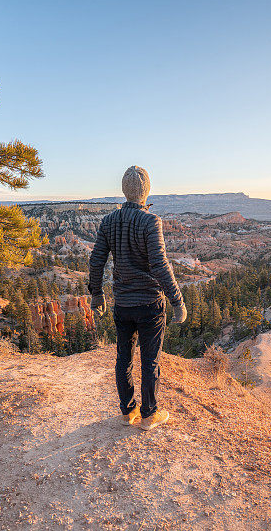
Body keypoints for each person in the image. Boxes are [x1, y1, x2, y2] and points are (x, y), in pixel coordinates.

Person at [88, 165, 187, 431]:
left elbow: (97, 259)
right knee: (150, 360)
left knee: (123, 358)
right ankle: (148, 415)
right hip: (149, 304)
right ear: (147, 191)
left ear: (124, 190)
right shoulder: (151, 221)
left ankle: (127, 411)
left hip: (122, 303)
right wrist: (177, 300)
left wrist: (96, 294)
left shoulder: (109, 221)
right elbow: (159, 264)